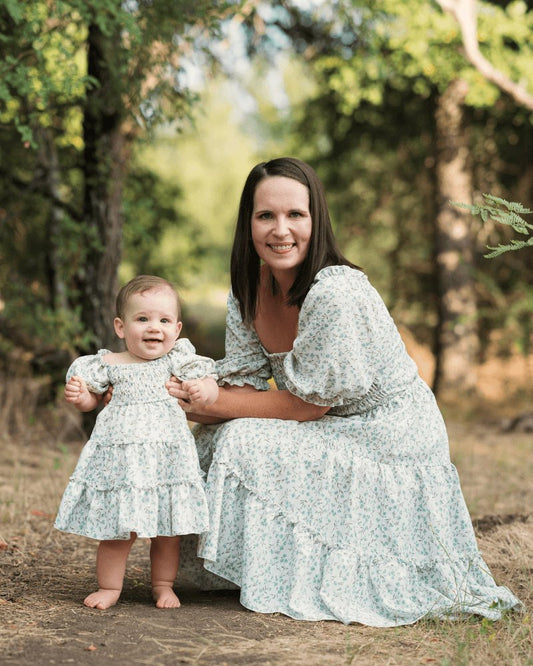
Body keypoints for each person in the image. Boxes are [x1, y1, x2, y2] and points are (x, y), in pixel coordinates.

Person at [168, 157, 521, 626]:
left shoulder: (336, 293)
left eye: (296, 215)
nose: (281, 230)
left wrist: (212, 400)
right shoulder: (248, 290)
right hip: (331, 423)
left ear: (317, 219)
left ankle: (305, 574)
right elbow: (240, 389)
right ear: (247, 224)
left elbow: (305, 406)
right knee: (210, 440)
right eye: (265, 216)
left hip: (390, 432)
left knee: (240, 440)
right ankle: (246, 570)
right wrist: (170, 394)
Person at [55, 275, 218, 610]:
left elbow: (207, 383)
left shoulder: (177, 362)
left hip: (165, 462)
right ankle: (110, 587)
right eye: (142, 319)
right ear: (120, 326)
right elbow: (92, 400)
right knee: (117, 531)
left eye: (163, 320)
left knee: (167, 532)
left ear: (177, 329)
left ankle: (163, 585)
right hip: (123, 465)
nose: (153, 327)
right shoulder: (109, 364)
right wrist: (81, 395)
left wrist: (204, 390)